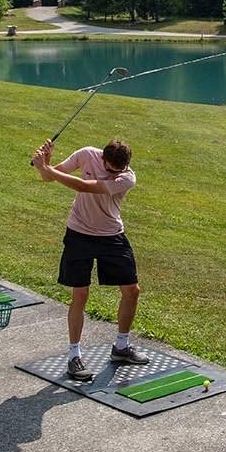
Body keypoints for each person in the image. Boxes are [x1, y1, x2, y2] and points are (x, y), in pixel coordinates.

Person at [30, 137, 149, 381]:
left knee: (132, 291)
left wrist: (45, 167)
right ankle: (74, 356)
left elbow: (84, 186)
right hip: (79, 234)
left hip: (111, 236)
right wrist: (47, 164)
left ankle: (121, 347)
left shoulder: (127, 178)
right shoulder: (86, 154)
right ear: (102, 158)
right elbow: (49, 178)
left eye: (119, 170)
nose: (113, 174)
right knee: (80, 294)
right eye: (109, 169)